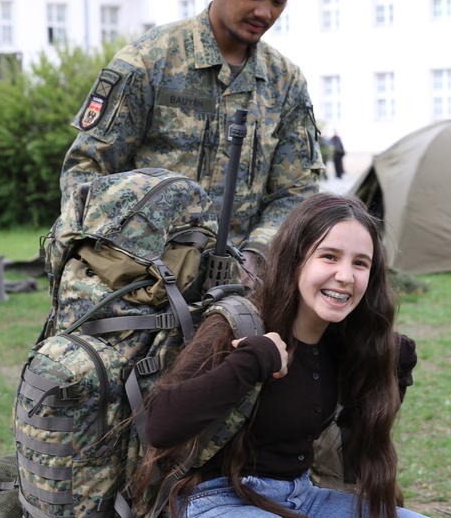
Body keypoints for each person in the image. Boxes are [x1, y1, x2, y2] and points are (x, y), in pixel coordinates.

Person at [136, 192, 429, 518]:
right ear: (295, 258)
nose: (345, 276)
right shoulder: (238, 324)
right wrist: (250, 362)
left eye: (360, 263)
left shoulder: (340, 341)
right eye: (329, 256)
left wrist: (388, 370)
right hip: (215, 499)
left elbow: (355, 445)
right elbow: (159, 428)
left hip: (301, 495)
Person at [60, 0, 324, 282]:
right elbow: (85, 172)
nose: (264, 12)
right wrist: (132, 254)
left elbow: (296, 192)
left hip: (242, 291)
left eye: (279, 1)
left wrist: (257, 255)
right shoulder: (148, 60)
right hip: (142, 284)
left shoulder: (286, 82)